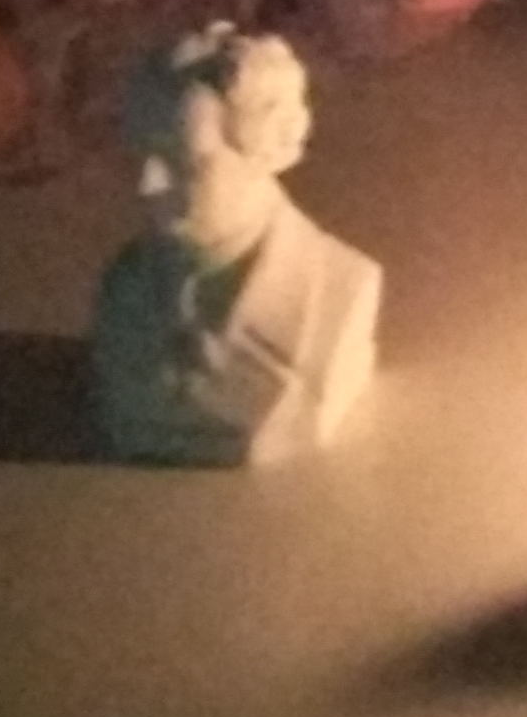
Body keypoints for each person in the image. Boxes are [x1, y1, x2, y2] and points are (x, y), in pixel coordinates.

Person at [91, 23, 381, 464]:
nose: (146, 184)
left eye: (181, 160)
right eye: (140, 154)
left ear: (269, 148)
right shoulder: (125, 286)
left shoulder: (340, 288)